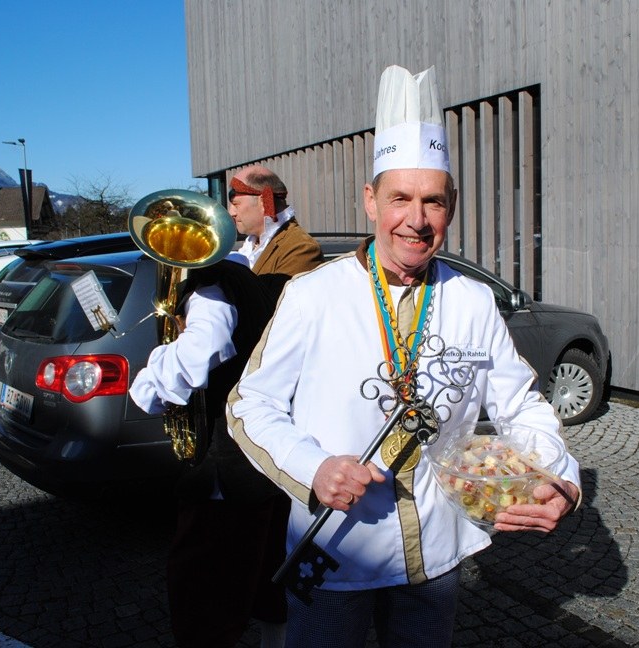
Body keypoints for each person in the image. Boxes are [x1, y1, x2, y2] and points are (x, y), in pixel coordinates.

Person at [226, 65, 582, 647]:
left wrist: (560, 477)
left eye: (432, 201)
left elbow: (521, 406)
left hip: (435, 556)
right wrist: (313, 468)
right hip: (333, 550)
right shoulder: (313, 294)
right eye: (400, 198)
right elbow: (248, 405)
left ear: (451, 206)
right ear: (371, 201)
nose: (416, 220)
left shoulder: (472, 300)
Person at [129, 254, 286, 646]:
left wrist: (148, 386)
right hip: (257, 462)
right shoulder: (240, 273)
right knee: (267, 577)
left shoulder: (210, 286)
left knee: (203, 597)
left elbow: (206, 346)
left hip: (225, 473)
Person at [227, 165, 324, 297]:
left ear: (263, 201)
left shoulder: (302, 248)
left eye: (236, 204)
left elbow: (276, 305)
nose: (231, 212)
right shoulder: (252, 243)